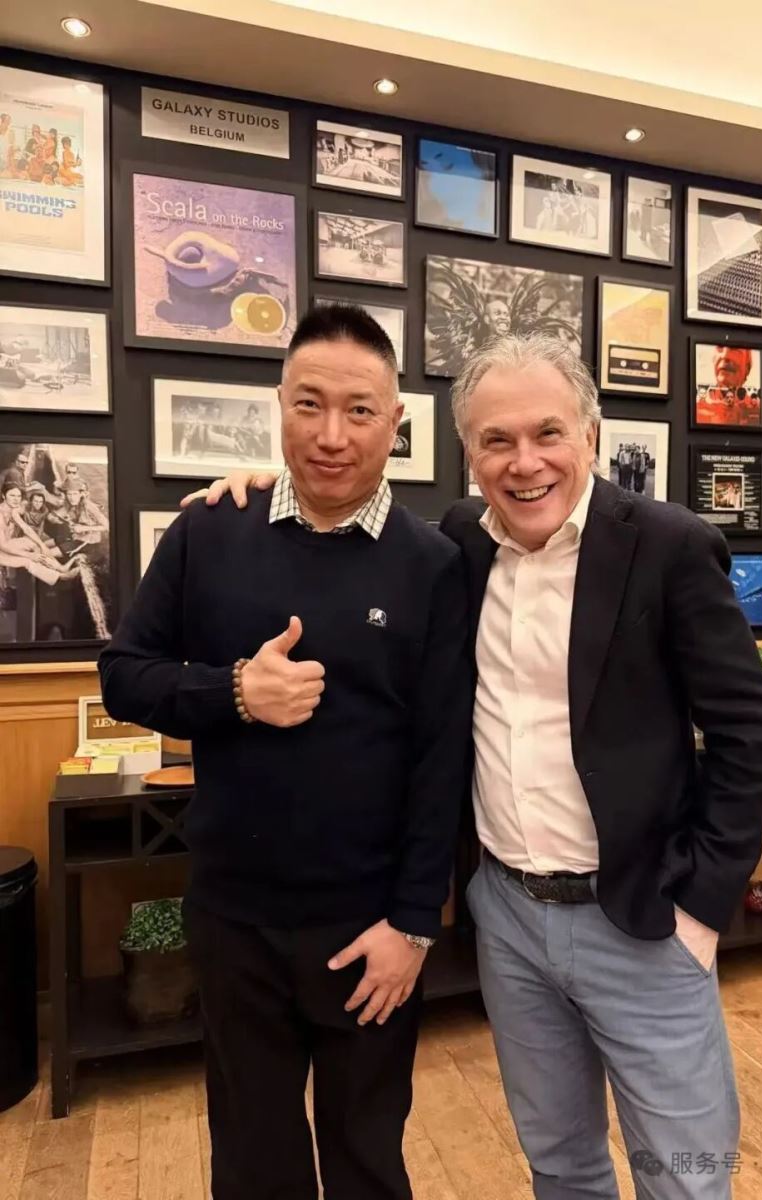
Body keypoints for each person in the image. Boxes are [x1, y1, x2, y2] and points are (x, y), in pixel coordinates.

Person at [186, 333, 762, 1200]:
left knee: (683, 1179)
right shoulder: (461, 543)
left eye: (548, 434)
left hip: (642, 918)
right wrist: (256, 491)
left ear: (590, 434)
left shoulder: (669, 546)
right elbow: (341, 515)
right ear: (468, 453)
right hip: (507, 918)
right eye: (496, 441)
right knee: (559, 1162)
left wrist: (701, 907)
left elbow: (746, 731)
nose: (524, 462)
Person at [98, 305, 471, 1200]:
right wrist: (232, 692)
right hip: (234, 918)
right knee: (252, 1160)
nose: (331, 436)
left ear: (394, 422)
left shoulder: (432, 564)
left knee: (367, 1157)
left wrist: (414, 924)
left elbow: (441, 757)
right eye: (309, 404)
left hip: (370, 926)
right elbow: (124, 677)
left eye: (359, 411)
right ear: (278, 404)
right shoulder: (208, 531)